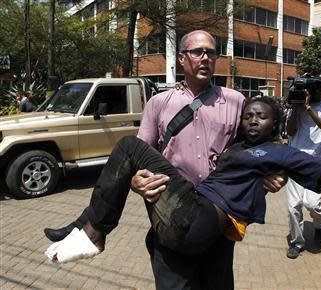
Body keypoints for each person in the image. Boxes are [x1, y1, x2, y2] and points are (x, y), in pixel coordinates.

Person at [43, 30, 287, 290]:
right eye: (197, 52)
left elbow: (253, 146)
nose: (205, 58)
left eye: (211, 52)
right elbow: (139, 155)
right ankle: (92, 230)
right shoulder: (159, 103)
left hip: (217, 214)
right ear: (182, 58)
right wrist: (136, 181)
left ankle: (90, 229)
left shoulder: (235, 101)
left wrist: (273, 173)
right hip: (171, 212)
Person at [45, 97, 321, 265]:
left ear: (275, 124)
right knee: (130, 157)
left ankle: (93, 232)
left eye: (262, 117)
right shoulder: (236, 149)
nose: (252, 120)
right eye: (248, 115)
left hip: (204, 220)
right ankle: (87, 228)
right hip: (185, 218)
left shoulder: (279, 153)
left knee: (128, 146)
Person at [284, 77, 321, 259]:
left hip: (318, 162)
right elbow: (290, 132)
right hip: (295, 160)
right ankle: (296, 242)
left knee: (312, 203)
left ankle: (320, 225)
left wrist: (308, 108)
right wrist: (296, 109)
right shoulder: (296, 106)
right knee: (293, 207)